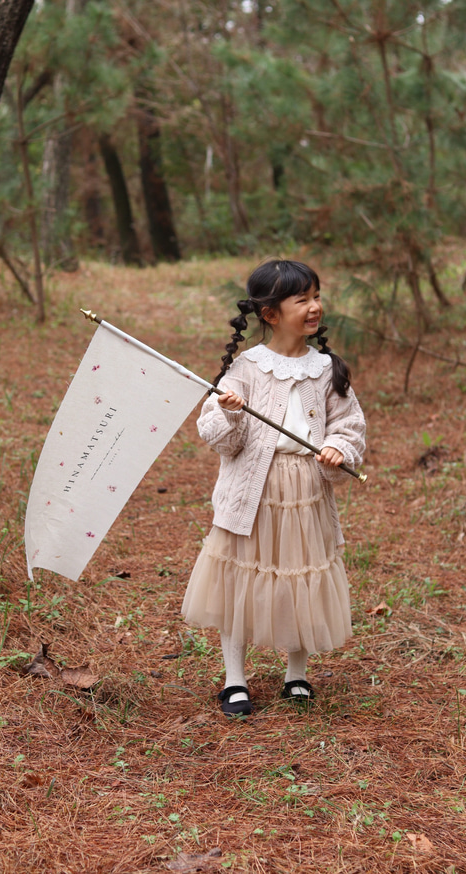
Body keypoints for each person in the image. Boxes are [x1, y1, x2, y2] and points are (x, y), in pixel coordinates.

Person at [181, 258, 366, 716]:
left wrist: (338, 448)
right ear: (270, 313)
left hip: (304, 488)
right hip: (253, 490)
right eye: (301, 299)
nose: (314, 307)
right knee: (240, 576)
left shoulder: (326, 369)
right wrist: (228, 410)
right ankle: (234, 678)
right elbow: (222, 439)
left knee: (299, 572)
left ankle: (296, 673)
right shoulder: (247, 367)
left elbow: (349, 424)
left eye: (316, 296)